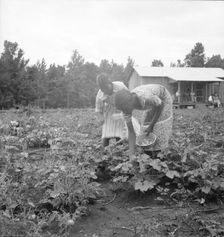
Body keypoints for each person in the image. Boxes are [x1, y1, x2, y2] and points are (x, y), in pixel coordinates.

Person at [114, 84, 173, 157]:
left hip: (163, 98)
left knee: (159, 126)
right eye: (122, 110)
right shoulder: (126, 109)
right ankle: (149, 154)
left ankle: (161, 154)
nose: (125, 112)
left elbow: (160, 105)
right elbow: (131, 132)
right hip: (151, 102)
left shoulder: (146, 97)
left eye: (125, 108)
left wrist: (151, 125)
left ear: (130, 102)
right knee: (144, 129)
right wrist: (131, 155)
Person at [95, 73, 139, 147]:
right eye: (102, 89)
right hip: (109, 113)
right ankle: (104, 154)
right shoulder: (100, 94)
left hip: (121, 110)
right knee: (106, 136)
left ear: (110, 83)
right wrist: (100, 117)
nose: (105, 91)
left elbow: (129, 98)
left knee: (120, 134)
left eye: (106, 88)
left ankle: (120, 150)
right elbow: (98, 109)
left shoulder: (120, 86)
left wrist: (126, 111)